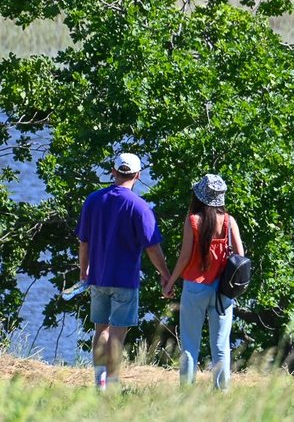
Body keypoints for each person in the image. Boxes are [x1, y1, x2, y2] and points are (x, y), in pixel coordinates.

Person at [76, 152, 170, 392]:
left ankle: (99, 383)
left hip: (98, 277)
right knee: (117, 333)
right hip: (125, 280)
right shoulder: (139, 207)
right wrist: (165, 274)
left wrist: (83, 270)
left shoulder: (93, 200)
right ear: (137, 175)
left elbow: (83, 242)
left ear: (113, 171)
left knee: (101, 329)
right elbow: (152, 246)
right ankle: (114, 384)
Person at [163, 174, 244, 389]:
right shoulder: (229, 221)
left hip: (195, 287)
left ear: (199, 196)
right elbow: (240, 255)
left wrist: (170, 282)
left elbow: (185, 257)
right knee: (220, 345)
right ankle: (222, 391)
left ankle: (186, 391)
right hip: (223, 291)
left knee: (190, 344)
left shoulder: (193, 221)